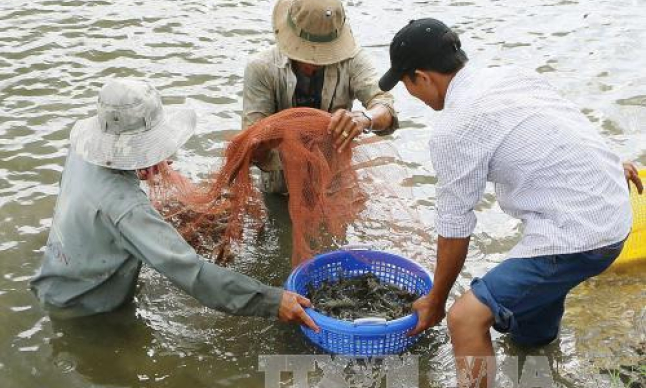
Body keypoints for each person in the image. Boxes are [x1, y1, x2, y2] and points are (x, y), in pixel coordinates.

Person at [379, 18, 643, 386]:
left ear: (421, 78)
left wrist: (437, 301)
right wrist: (611, 164)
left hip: (581, 234)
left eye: (407, 85)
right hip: (611, 208)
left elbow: (455, 225)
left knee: (465, 319)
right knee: (529, 331)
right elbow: (564, 125)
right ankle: (539, 355)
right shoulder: (511, 75)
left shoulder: (455, 127)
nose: (413, 95)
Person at [30, 79, 320, 334]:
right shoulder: (126, 209)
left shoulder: (81, 152)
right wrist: (271, 300)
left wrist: (137, 164)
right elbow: (191, 273)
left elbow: (96, 194)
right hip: (87, 311)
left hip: (55, 282)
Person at [242, 0, 398, 194]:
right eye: (305, 54)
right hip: (279, 186)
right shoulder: (261, 67)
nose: (312, 63)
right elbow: (252, 142)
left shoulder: (353, 60)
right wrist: (284, 141)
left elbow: (385, 106)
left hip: (334, 182)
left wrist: (364, 119)